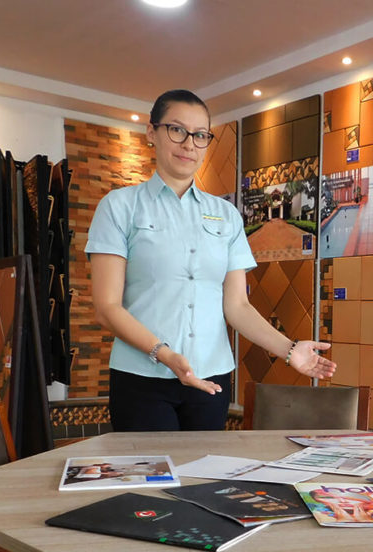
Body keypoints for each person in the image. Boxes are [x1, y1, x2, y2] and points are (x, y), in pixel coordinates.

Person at [86, 89, 335, 431]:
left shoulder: (226, 215)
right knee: (149, 467)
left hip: (211, 379)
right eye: (177, 130)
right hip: (142, 379)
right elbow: (107, 307)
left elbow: (237, 307)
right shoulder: (119, 207)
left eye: (200, 135)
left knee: (204, 466)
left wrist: (290, 350)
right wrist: (165, 354)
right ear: (151, 132)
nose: (189, 144)